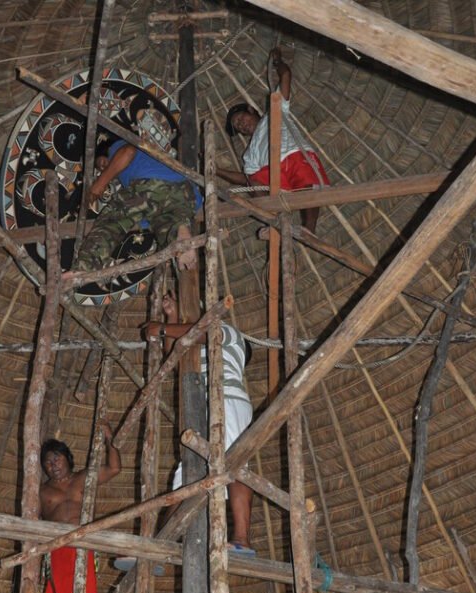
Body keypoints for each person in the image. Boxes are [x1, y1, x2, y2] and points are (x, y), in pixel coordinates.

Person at [150, 293, 255, 556]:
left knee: (234, 464)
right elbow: (176, 357)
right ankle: (162, 543)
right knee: (186, 474)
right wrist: (172, 319)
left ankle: (242, 539)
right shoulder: (199, 346)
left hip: (227, 400)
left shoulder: (228, 333)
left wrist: (163, 328)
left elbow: (202, 333)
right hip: (203, 407)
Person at [217, 47, 329, 234]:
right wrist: (216, 170)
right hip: (274, 175)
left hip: (293, 155)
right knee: (253, 181)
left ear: (251, 110)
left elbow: (286, 77)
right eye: (238, 128)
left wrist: (278, 62)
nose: (241, 126)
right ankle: (273, 221)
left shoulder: (276, 111)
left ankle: (309, 229)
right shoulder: (250, 153)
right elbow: (245, 179)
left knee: (307, 187)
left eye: (240, 120)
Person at [40, 427, 121, 593]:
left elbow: (115, 468)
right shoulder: (41, 491)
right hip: (58, 548)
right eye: (47, 462)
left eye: (56, 458)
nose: (53, 465)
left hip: (83, 546)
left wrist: (109, 440)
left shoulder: (82, 478)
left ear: (68, 459)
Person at [65, 137, 202, 276]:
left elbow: (128, 151)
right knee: (164, 229)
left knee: (112, 221)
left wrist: (101, 182)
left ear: (107, 151)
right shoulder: (132, 175)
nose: (103, 169)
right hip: (186, 197)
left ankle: (83, 267)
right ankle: (179, 233)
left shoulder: (119, 147)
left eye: (102, 163)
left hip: (154, 184)